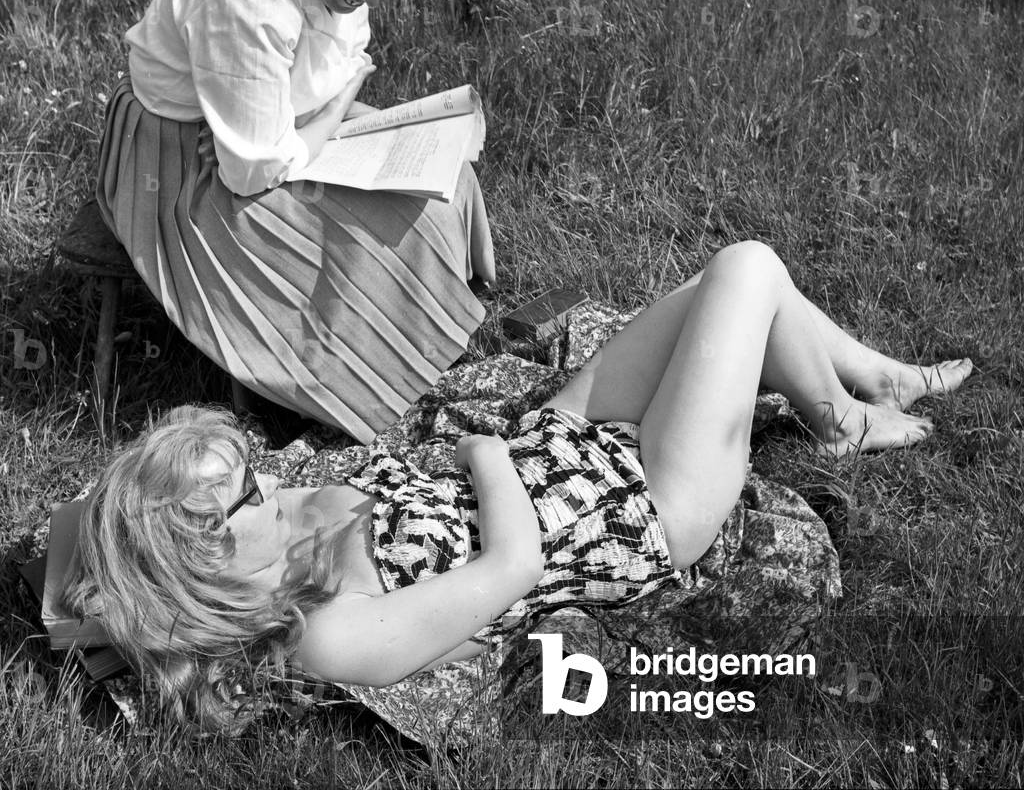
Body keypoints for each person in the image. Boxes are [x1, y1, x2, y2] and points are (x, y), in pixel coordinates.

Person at [63, 241, 973, 732]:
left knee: (714, 293)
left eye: (255, 469)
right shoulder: (327, 631)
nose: (274, 481)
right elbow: (510, 566)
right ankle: (842, 421)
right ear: (206, 559)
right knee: (747, 269)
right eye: (247, 494)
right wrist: (486, 457)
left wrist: (507, 444)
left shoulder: (273, 532)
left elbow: (81, 538)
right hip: (637, 509)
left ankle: (871, 380)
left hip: (559, 444)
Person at [96, 0, 495, 442]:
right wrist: (336, 106)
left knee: (437, 188)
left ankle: (427, 338)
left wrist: (308, 119)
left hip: (266, 123)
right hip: (180, 160)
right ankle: (371, 375)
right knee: (361, 239)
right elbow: (250, 174)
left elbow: (337, 54)